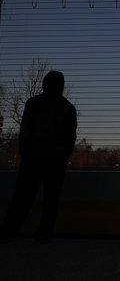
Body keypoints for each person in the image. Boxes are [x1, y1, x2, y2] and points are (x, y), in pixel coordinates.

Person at [1, 71, 77, 242]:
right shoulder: (68, 108)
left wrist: (26, 153)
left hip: (34, 158)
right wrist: (63, 155)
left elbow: (25, 131)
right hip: (55, 160)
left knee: (23, 198)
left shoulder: (34, 103)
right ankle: (44, 234)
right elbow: (70, 137)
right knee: (51, 200)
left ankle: (9, 231)